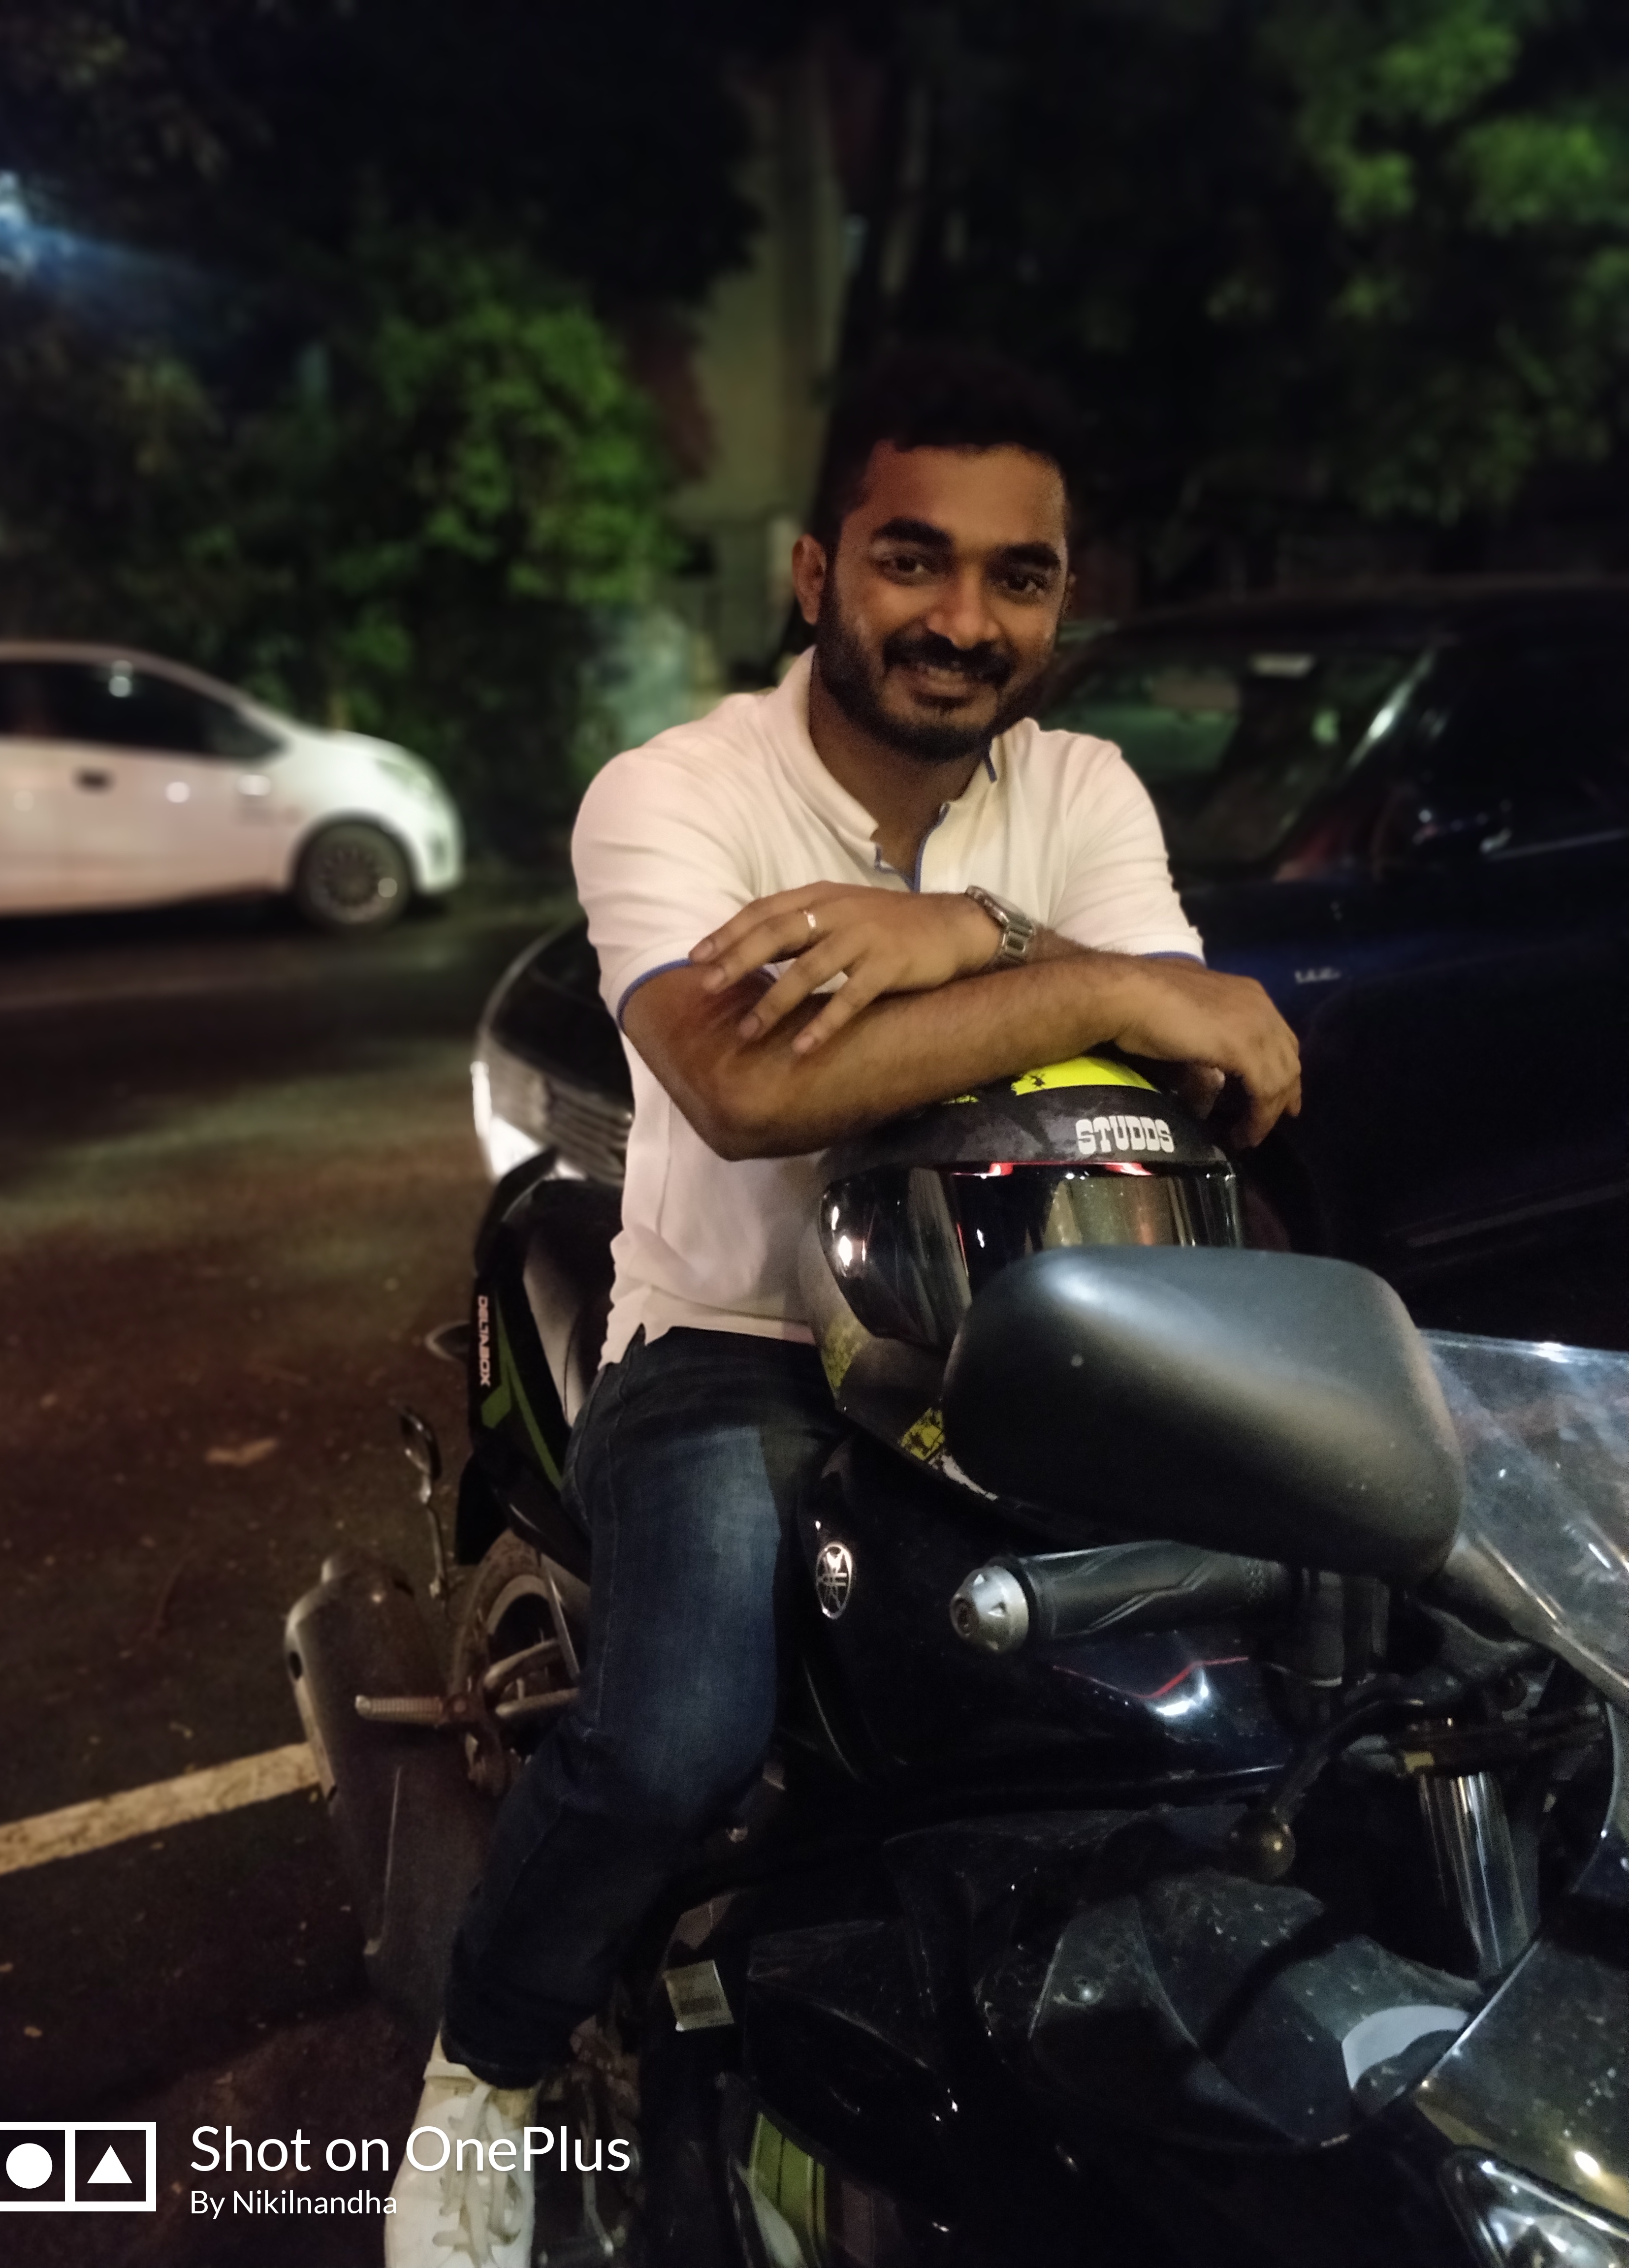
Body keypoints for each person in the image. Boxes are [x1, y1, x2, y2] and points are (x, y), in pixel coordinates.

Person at [386, 346, 1301, 2266]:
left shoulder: (1080, 785)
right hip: (735, 1347)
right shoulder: (675, 793)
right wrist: (1078, 980)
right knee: (677, 1742)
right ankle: (487, 2064)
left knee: (1263, 1670)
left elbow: (1220, 1062)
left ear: (1063, 599)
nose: (963, 619)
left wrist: (972, 935)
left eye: (1017, 576)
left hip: (1037, 1331)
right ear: (817, 573)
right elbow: (750, 1087)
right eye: (912, 558)